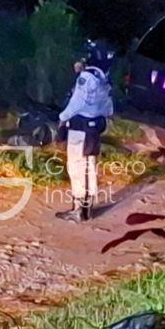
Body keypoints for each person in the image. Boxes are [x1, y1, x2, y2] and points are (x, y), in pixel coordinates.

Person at [56, 39, 116, 222]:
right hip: (94, 127)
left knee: (77, 166)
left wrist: (62, 118)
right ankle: (87, 209)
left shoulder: (87, 77)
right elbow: (108, 107)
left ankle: (78, 210)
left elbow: (77, 102)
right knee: (89, 165)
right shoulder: (103, 76)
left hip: (80, 127)